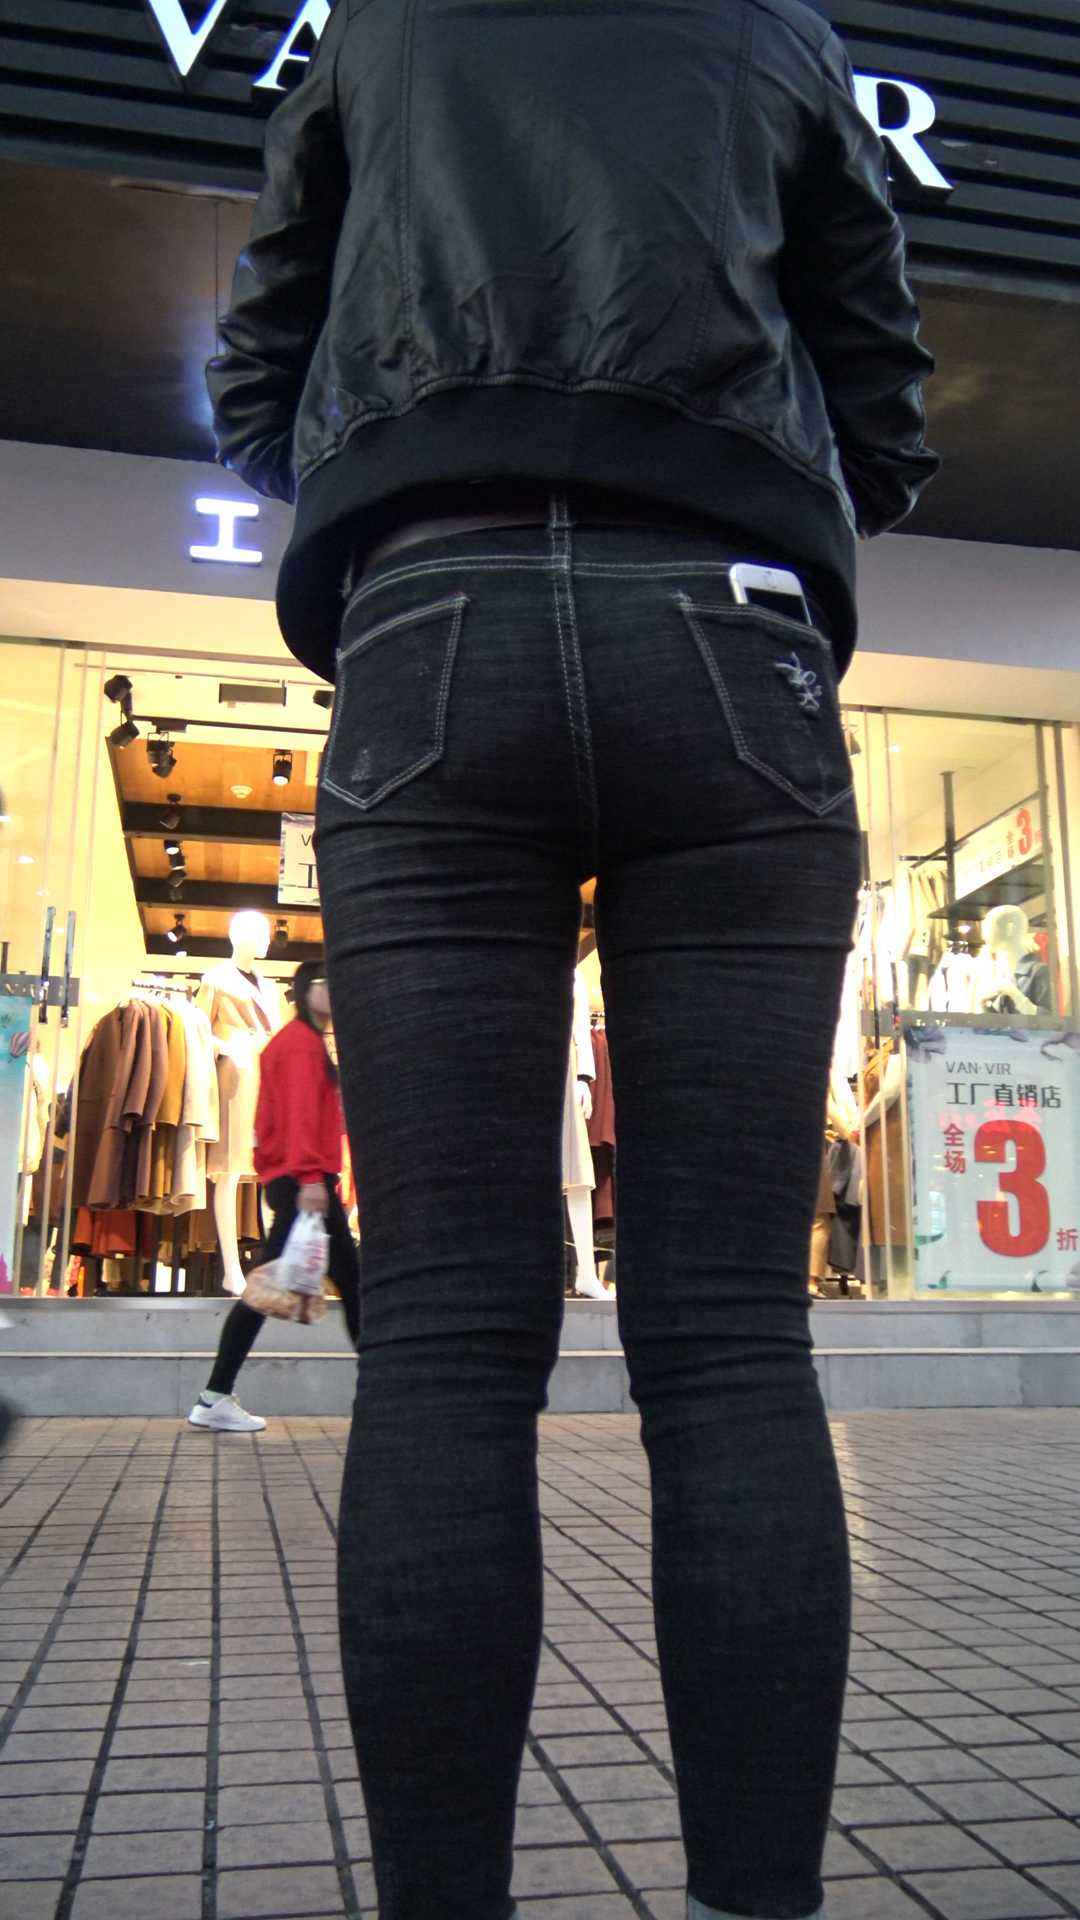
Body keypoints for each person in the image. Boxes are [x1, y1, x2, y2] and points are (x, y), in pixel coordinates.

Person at [206, 3, 939, 1914]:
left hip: (428, 613)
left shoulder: (384, 21)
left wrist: (375, 477)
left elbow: (262, 342)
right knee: (732, 1339)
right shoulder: (775, 29)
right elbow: (881, 370)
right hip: (731, 625)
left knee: (447, 1338)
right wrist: (786, 493)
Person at [189, 959, 359, 1434]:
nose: (335, 991)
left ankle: (215, 1394)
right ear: (307, 990)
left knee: (340, 1283)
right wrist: (310, 1178)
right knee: (324, 1286)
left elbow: (269, 1121)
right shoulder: (301, 1044)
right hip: (305, 1180)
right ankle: (214, 1395)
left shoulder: (293, 1042)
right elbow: (300, 1116)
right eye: (326, 983)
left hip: (295, 1178)